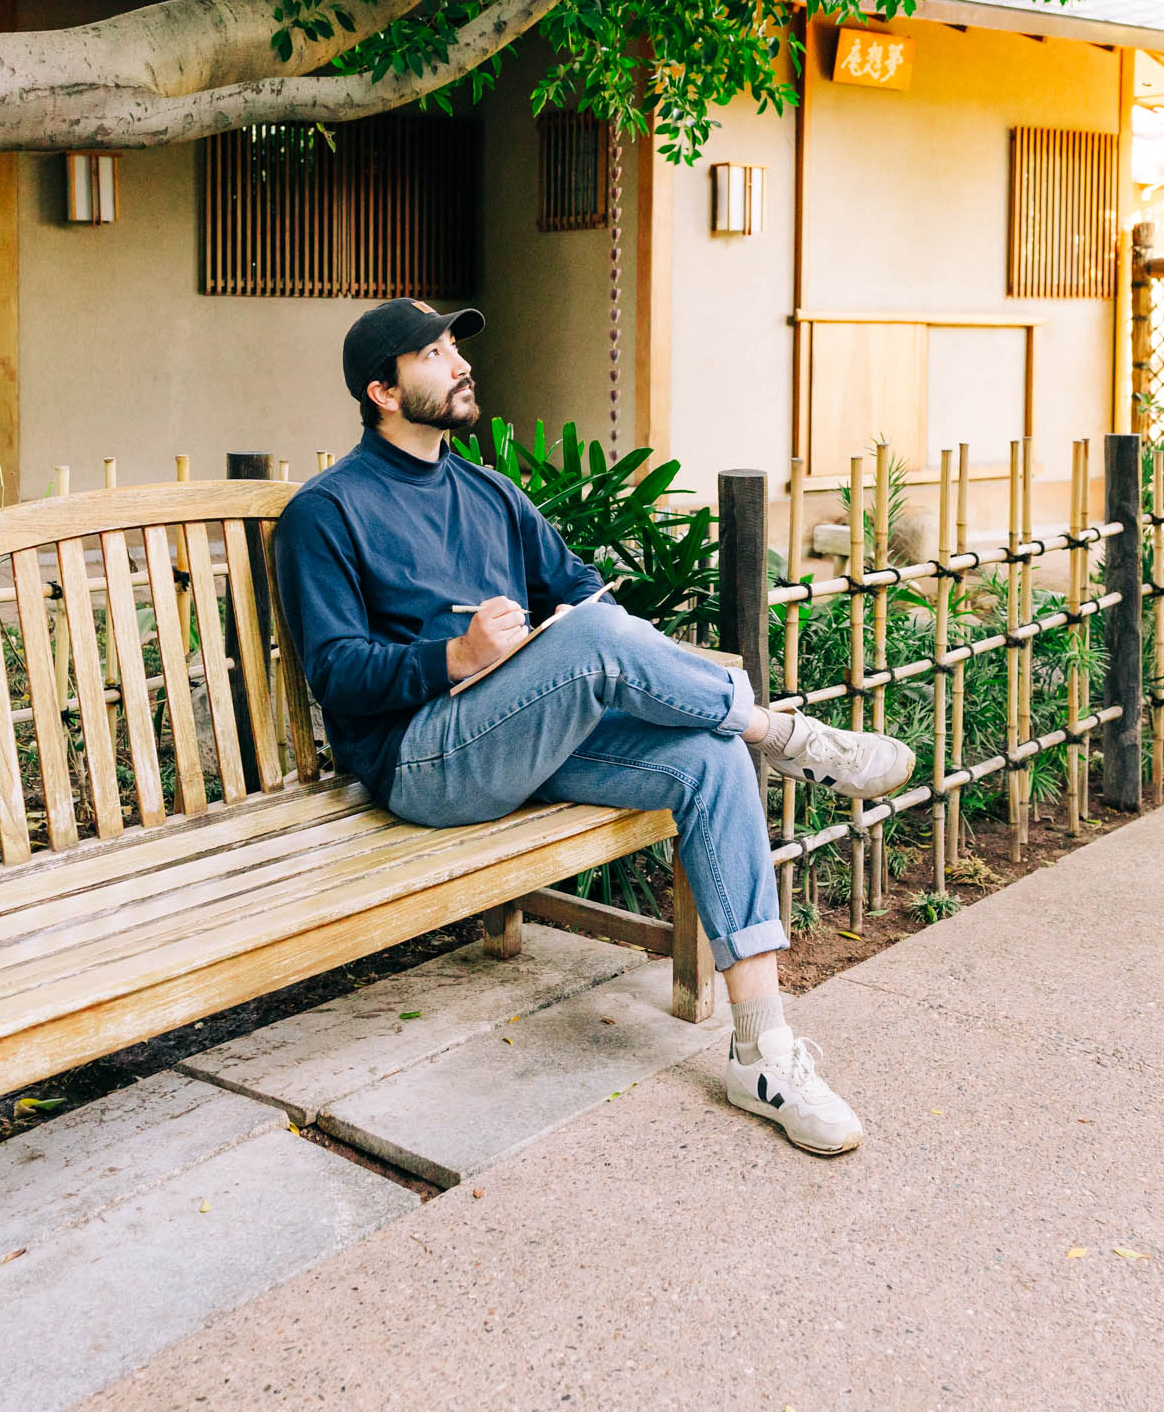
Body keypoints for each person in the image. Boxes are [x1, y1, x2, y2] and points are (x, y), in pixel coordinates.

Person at [273, 298, 917, 1155]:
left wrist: (560, 645)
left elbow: (581, 592)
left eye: (456, 344)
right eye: (431, 353)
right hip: (422, 761)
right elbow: (334, 671)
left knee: (707, 756)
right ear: (382, 392)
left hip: (524, 739)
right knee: (602, 643)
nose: (459, 362)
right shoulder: (327, 510)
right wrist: (455, 656)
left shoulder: (488, 492)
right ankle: (781, 732)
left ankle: (763, 1054)